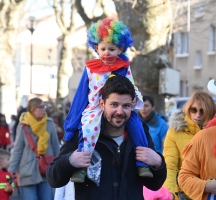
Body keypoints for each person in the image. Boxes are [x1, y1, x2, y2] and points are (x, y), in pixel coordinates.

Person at [47, 75, 167, 200]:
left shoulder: (140, 134)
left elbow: (154, 185)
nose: (120, 111)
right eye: (114, 104)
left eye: (126, 106)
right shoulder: (83, 132)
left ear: (132, 105)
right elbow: (53, 180)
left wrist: (158, 162)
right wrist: (69, 161)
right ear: (102, 104)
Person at [64, 17, 152, 183]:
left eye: (111, 49)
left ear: (120, 49)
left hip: (120, 105)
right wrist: (71, 127)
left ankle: (142, 163)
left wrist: (133, 100)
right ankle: (82, 166)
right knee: (88, 128)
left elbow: (131, 85)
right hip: (95, 107)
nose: (106, 52)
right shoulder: (90, 68)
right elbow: (82, 94)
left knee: (136, 126)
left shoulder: (124, 66)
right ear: (96, 47)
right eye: (103, 48)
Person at [163, 92, 216, 200]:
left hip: (213, 194)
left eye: (202, 111)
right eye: (194, 110)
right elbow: (170, 166)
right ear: (188, 109)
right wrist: (168, 194)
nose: (197, 115)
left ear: (210, 111)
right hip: (184, 194)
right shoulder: (175, 131)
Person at [8, 97, 60, 200]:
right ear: (32, 109)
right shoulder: (23, 125)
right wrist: (11, 171)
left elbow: (55, 146)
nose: (43, 109)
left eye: (44, 106)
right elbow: (18, 149)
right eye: (40, 107)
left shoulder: (49, 123)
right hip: (27, 170)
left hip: (46, 169)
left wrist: (58, 166)